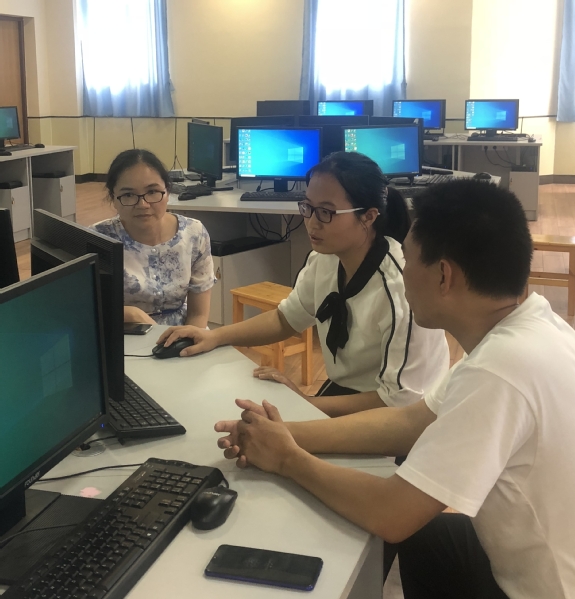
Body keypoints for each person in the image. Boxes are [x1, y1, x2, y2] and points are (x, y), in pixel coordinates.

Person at [214, 179, 575, 599]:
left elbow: (393, 513)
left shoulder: (500, 371)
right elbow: (410, 422)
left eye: (410, 260)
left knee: (389, 527)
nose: (403, 273)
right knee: (425, 538)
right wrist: (282, 433)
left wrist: (287, 459)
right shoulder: (531, 327)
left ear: (444, 275)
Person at [158, 151, 449, 417]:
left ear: (368, 217)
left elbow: (398, 402)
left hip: (407, 417)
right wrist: (215, 336)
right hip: (351, 393)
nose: (311, 222)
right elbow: (286, 319)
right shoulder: (326, 259)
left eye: (326, 212)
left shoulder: (402, 291)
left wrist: (303, 402)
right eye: (308, 207)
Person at [91, 149, 215, 327]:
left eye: (152, 192)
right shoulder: (98, 239)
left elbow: (198, 315)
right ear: (113, 198)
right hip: (125, 336)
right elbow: (84, 308)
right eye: (128, 195)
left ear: (167, 191)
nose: (143, 204)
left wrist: (186, 341)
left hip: (184, 333)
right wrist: (130, 314)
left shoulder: (194, 233)